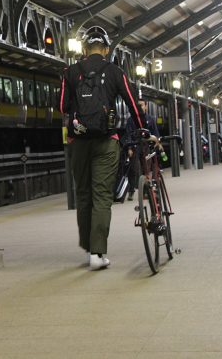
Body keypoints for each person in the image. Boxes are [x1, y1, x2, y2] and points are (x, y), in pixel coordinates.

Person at [61, 26, 147, 270]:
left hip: (78, 143)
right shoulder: (114, 71)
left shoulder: (71, 72)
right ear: (107, 49)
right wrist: (143, 130)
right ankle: (98, 254)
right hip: (107, 140)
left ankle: (88, 248)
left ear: (84, 49)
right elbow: (132, 103)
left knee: (84, 194)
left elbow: (62, 105)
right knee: (102, 196)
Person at [124, 98, 163, 201]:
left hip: (146, 147)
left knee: (147, 168)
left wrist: (158, 144)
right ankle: (131, 191)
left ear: (146, 106)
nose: (140, 107)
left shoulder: (150, 119)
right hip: (135, 146)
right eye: (138, 105)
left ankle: (146, 191)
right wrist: (129, 148)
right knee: (133, 169)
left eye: (142, 105)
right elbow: (128, 134)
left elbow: (155, 132)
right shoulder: (131, 120)